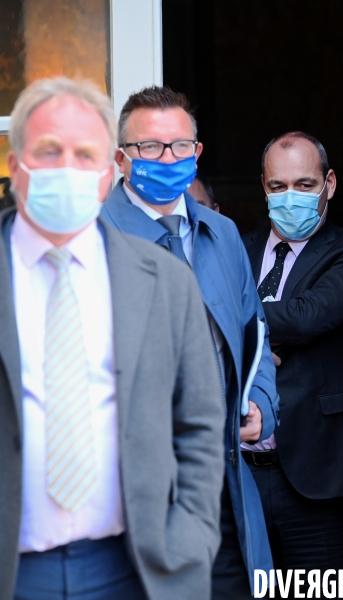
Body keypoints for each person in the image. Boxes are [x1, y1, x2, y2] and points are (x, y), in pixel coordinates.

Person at [0, 77, 225, 600]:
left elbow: (199, 423)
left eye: (85, 155)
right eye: (48, 151)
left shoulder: (165, 281)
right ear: (15, 167)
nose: (66, 168)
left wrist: (189, 538)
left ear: (108, 173)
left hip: (133, 570)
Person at [100, 85, 279, 600]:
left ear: (197, 152)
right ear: (121, 158)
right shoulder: (92, 242)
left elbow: (255, 336)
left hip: (223, 494)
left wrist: (262, 403)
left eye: (180, 146)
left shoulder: (223, 235)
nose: (167, 157)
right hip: (131, 502)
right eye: (150, 147)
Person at [242, 131, 343, 597]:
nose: (291, 197)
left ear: (331, 184)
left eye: (305, 184)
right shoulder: (234, 250)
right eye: (278, 186)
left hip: (319, 479)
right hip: (239, 473)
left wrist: (238, 326)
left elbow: (307, 318)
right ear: (263, 186)